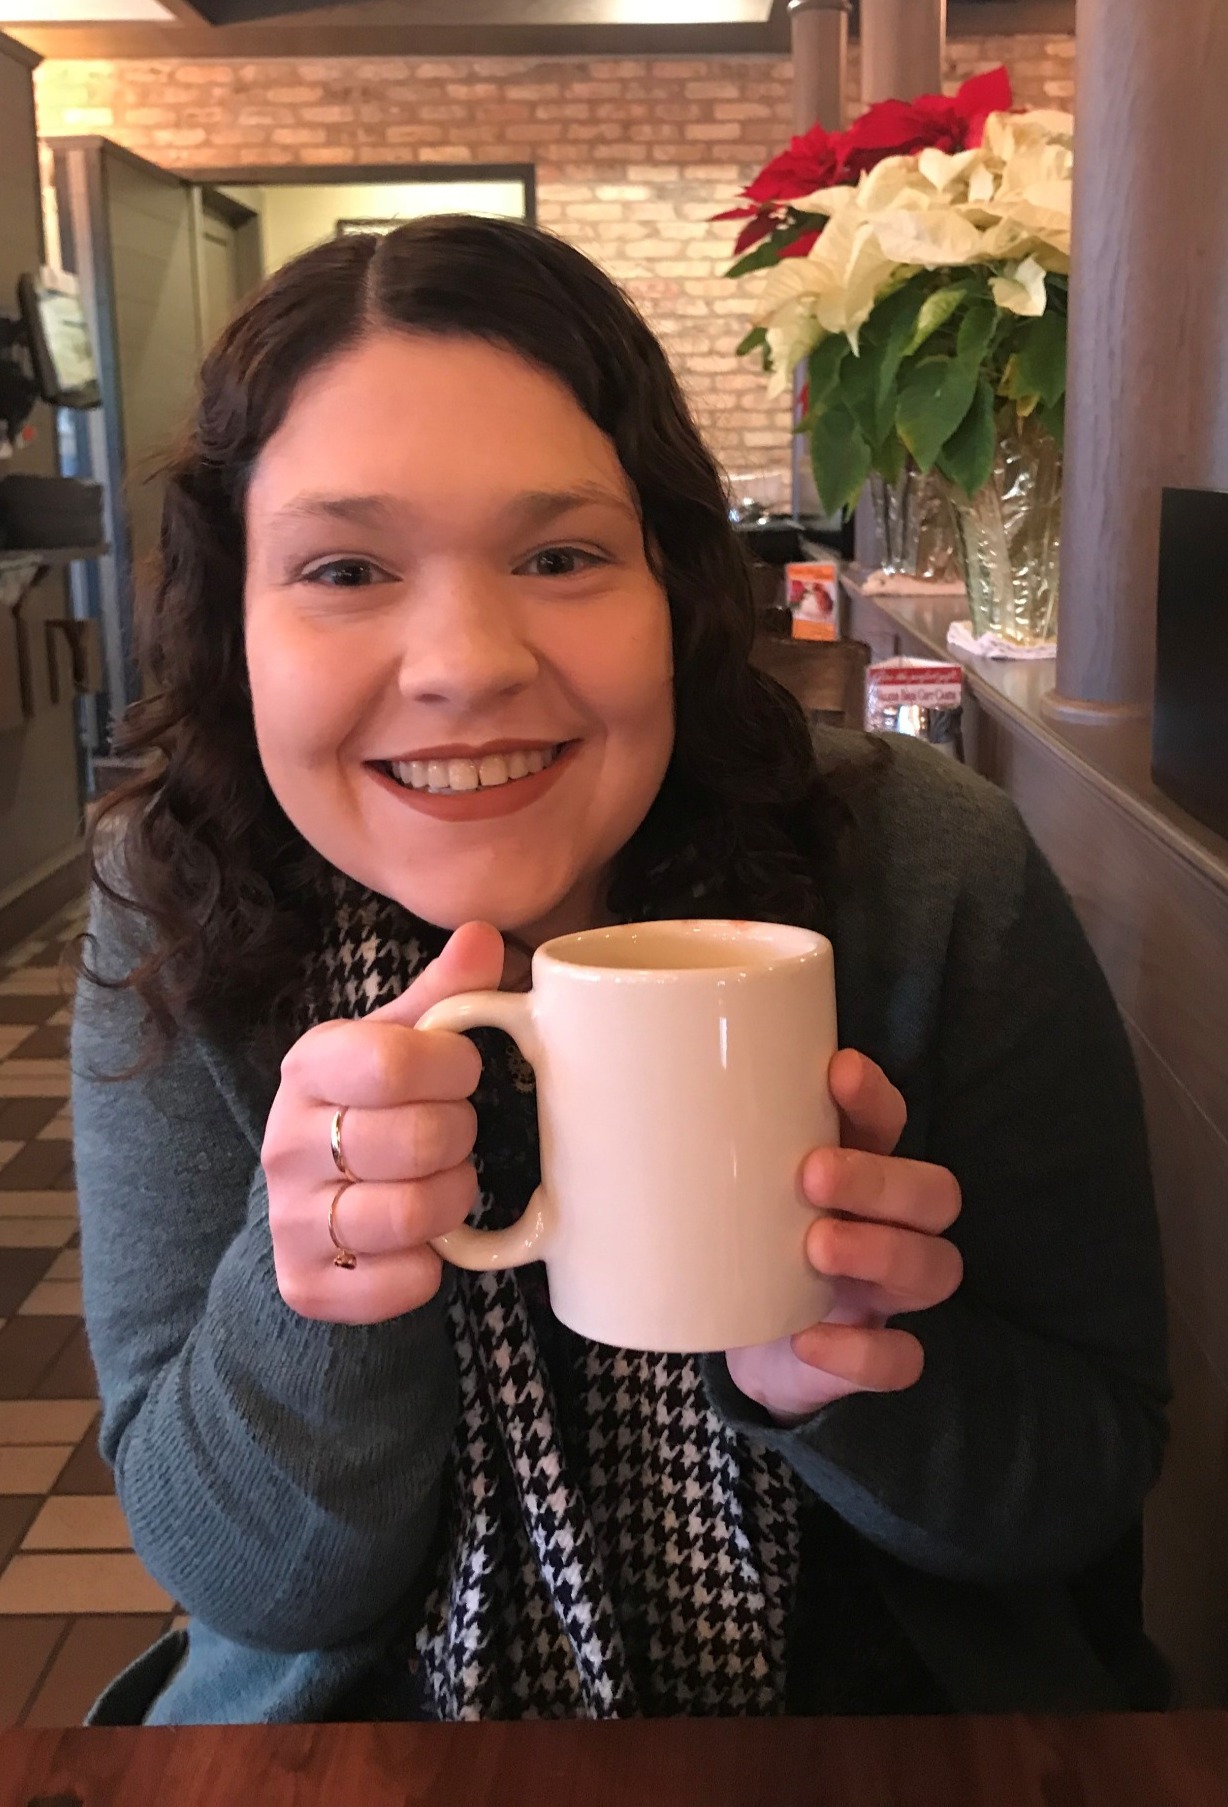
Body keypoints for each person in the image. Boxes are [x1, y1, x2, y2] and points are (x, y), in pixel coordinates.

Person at [71, 216, 1170, 1727]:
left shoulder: (925, 873)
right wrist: (310, 1289)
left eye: (561, 554)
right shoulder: (177, 902)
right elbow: (238, 1585)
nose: (465, 660)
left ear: (672, 584)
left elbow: (1087, 1478)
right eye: (343, 566)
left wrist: (844, 1367)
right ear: (233, 622)